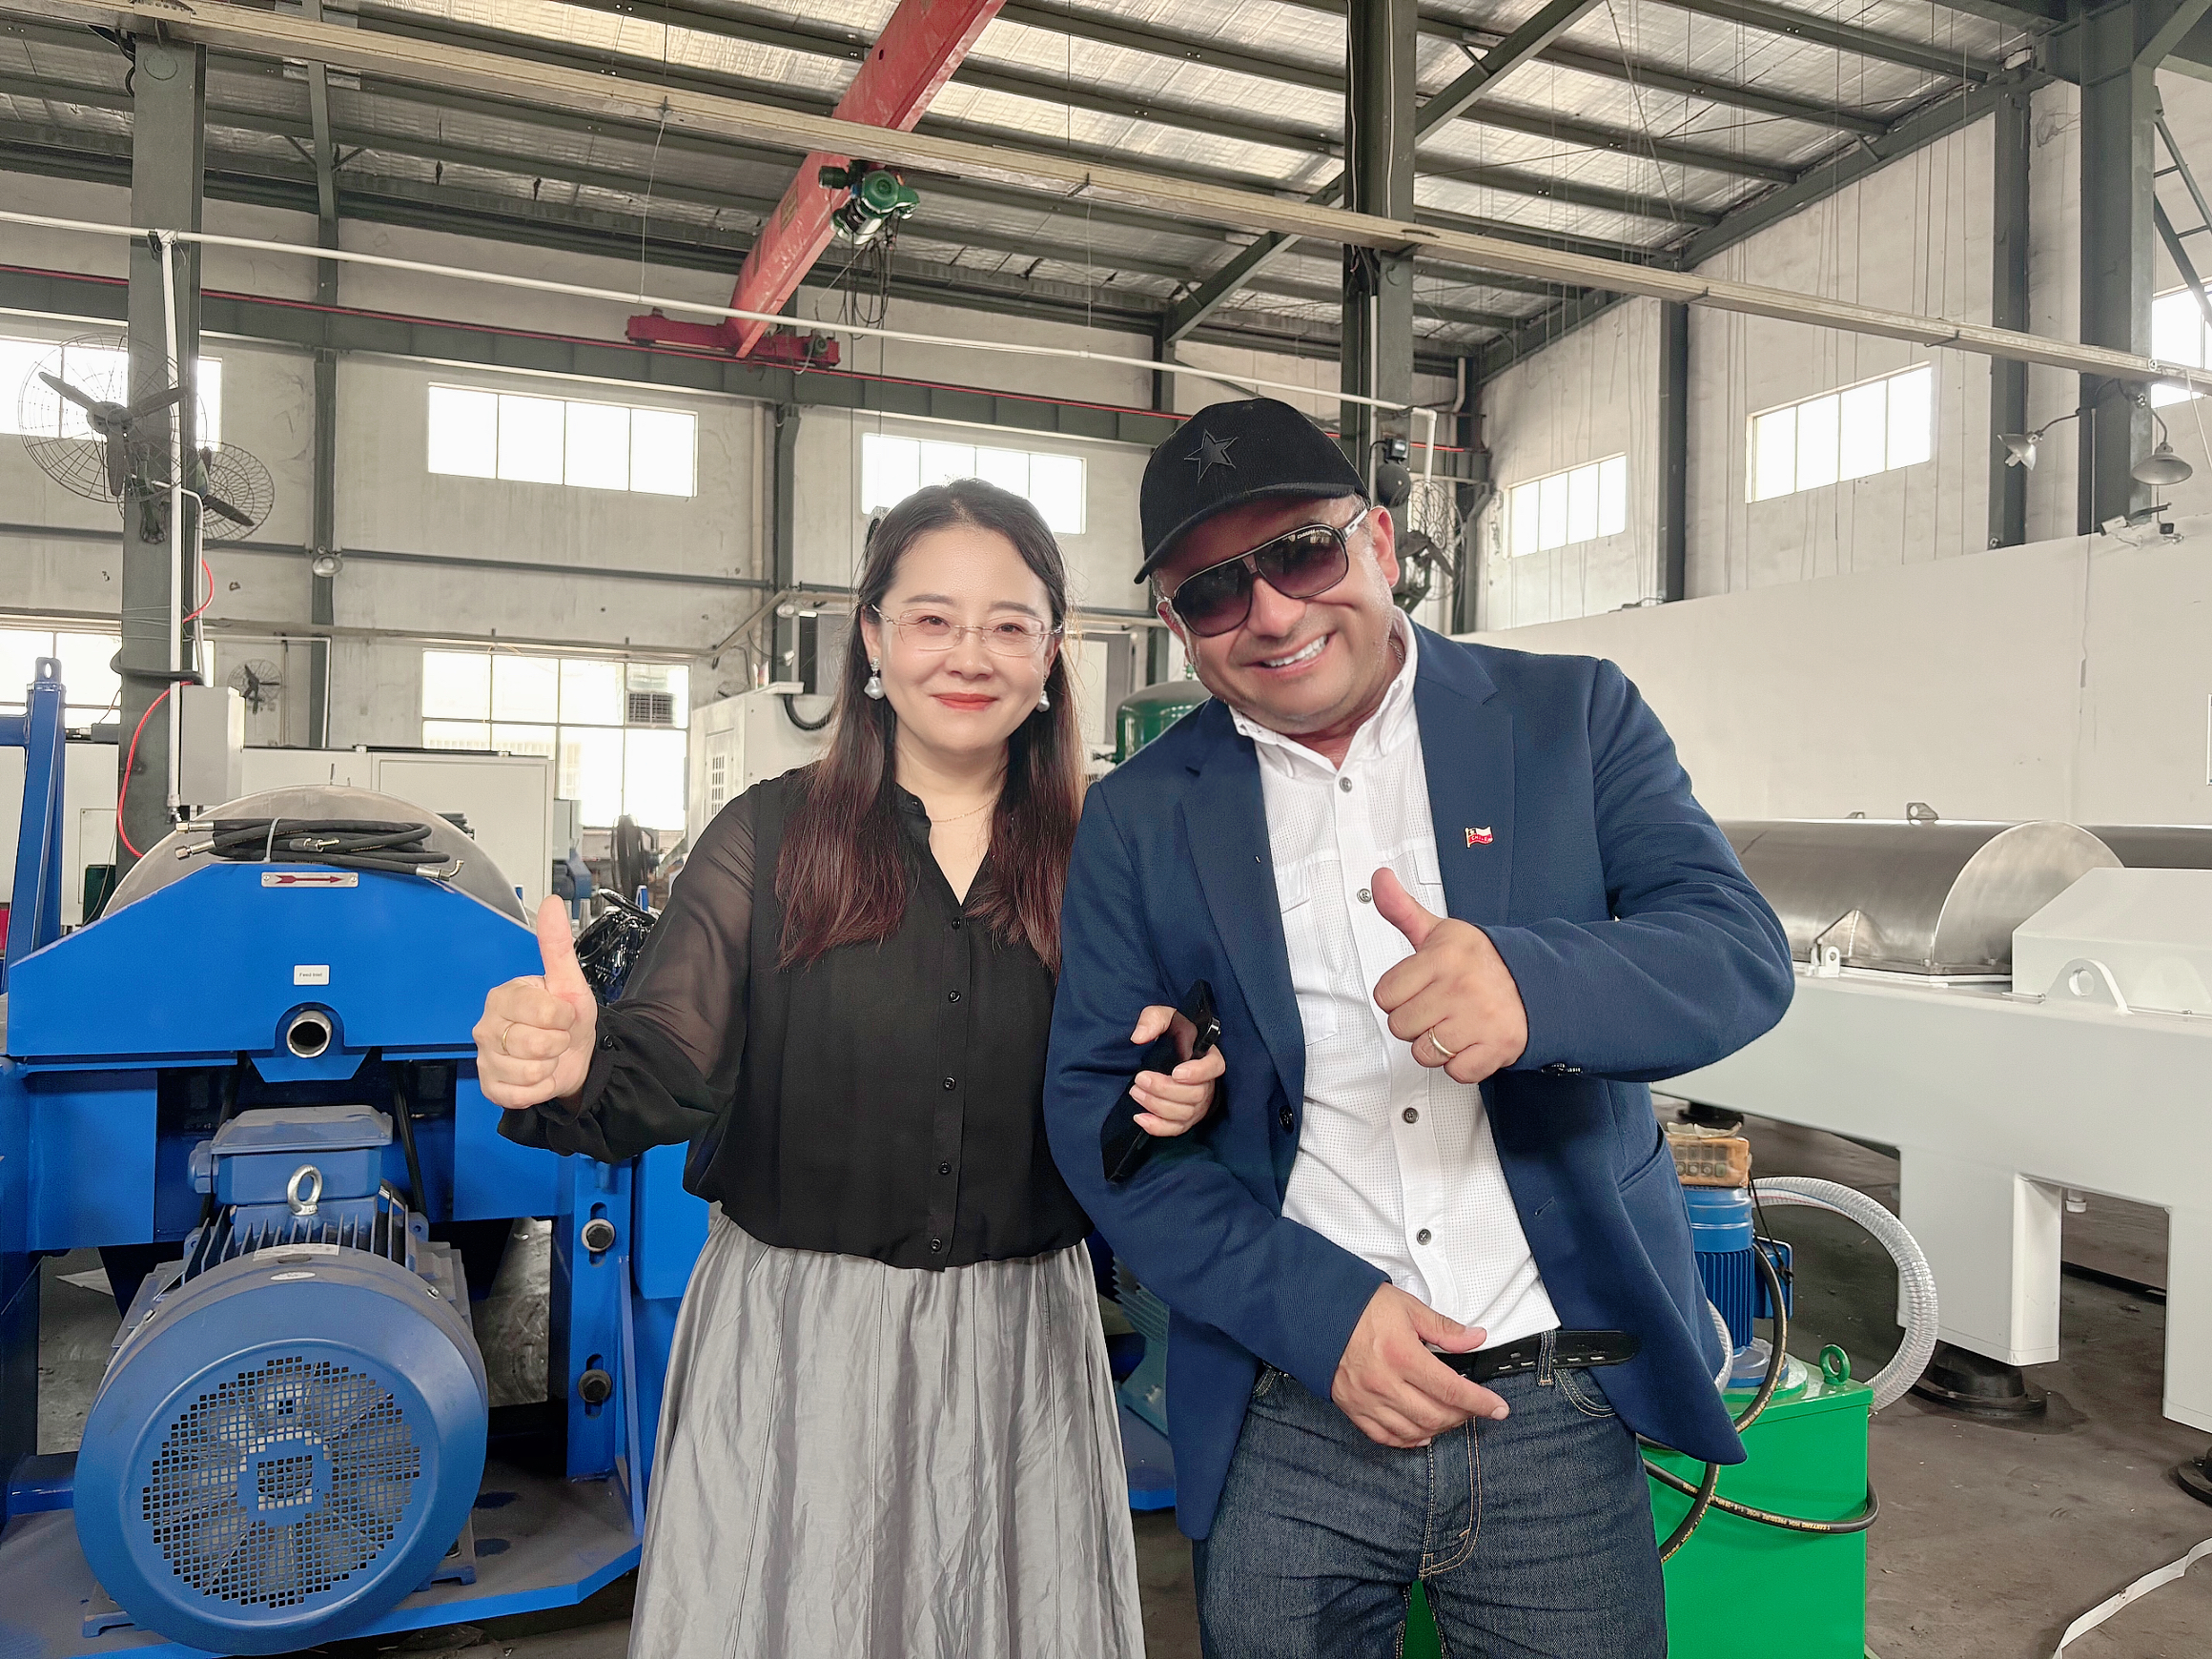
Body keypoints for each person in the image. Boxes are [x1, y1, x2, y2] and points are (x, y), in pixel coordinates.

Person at [1044, 398, 1795, 1656]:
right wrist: (1318, 1314)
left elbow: (1736, 954)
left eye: (1301, 553)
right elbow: (1098, 1119)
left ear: (1381, 543)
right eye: (1213, 591)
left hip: (1556, 1401)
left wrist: (1535, 988)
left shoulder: (1569, 719)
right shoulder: (1141, 817)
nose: (1269, 613)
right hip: (1291, 1406)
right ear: (1178, 626)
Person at [475, 479, 1223, 1659]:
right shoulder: (769, 839)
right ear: (871, 639)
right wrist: (572, 1063)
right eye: (931, 618)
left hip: (1019, 1341)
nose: (967, 654)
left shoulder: (1106, 853)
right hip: (797, 1339)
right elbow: (661, 1063)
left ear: (1051, 655)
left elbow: (1146, 1071)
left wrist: (1184, 1088)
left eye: (1008, 623)